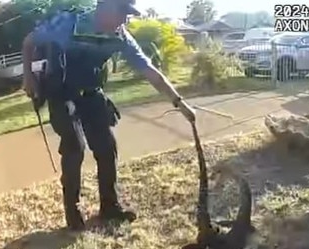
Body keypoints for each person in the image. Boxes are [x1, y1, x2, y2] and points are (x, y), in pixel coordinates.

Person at [21, 0, 196, 231]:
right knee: (75, 146)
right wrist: (28, 77)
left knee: (106, 146)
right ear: (105, 7)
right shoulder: (69, 23)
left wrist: (180, 103)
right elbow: (29, 41)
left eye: (128, 14)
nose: (125, 20)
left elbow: (149, 71)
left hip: (92, 93)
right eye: (122, 12)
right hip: (62, 93)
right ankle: (72, 213)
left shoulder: (120, 37)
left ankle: (109, 207)